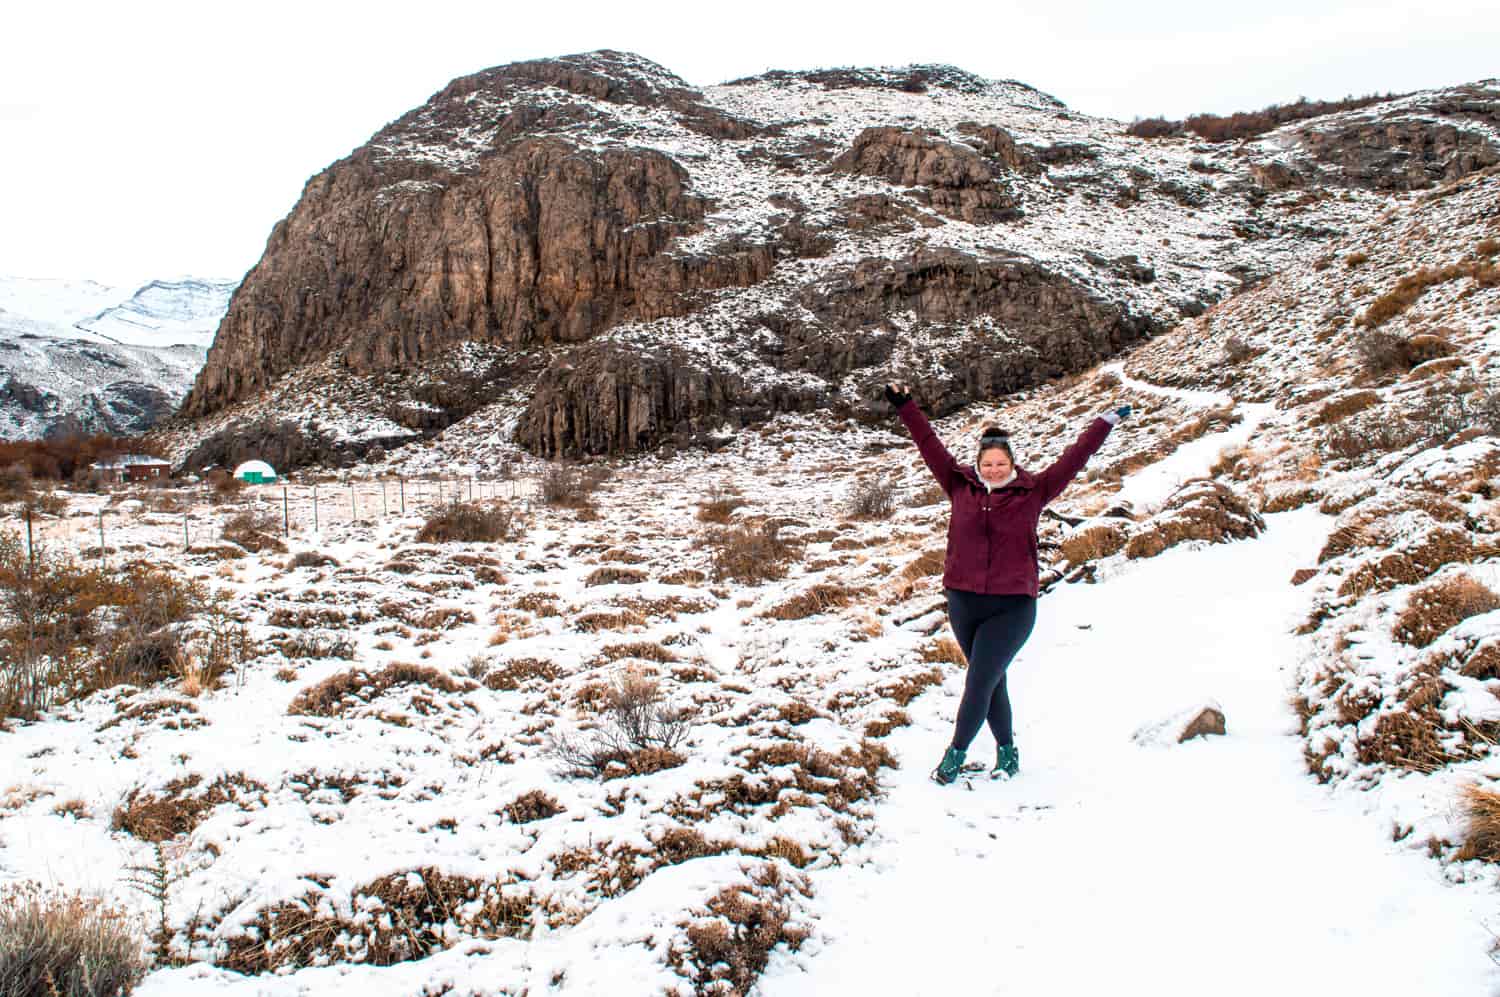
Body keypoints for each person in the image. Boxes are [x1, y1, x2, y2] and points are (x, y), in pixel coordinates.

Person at [884, 382, 1131, 784]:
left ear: (1012, 464)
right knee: (991, 680)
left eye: (1001, 463)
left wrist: (1103, 424)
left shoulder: (1034, 491)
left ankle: (955, 755)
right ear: (978, 465)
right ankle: (1008, 753)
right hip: (963, 601)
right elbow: (928, 442)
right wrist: (905, 405)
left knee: (979, 679)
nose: (994, 470)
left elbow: (1076, 457)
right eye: (988, 464)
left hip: (1013, 606)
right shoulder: (958, 484)